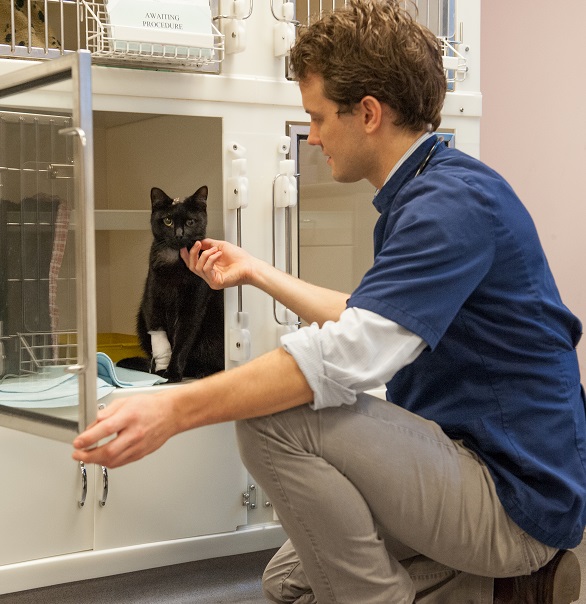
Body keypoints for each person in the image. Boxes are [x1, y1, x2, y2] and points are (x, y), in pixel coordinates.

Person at [73, 1, 586, 602]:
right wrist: (258, 272)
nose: (312, 137)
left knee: (274, 415)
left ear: (368, 113)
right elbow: (372, 318)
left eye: (316, 118)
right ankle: (510, 588)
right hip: (464, 458)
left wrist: (176, 409)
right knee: (291, 582)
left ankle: (510, 569)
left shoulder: (451, 206)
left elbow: (351, 350)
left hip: (514, 498)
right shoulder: (428, 189)